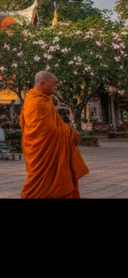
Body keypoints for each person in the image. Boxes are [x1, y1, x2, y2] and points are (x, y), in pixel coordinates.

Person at [20, 70, 89, 199]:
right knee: (37, 186)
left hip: (49, 149)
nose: (54, 89)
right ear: (42, 83)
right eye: (53, 85)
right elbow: (45, 130)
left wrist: (68, 130)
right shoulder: (35, 101)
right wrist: (69, 133)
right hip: (41, 151)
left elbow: (55, 124)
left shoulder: (44, 99)